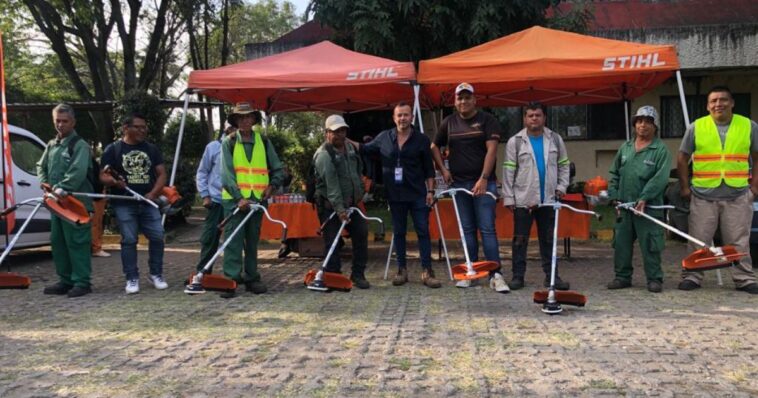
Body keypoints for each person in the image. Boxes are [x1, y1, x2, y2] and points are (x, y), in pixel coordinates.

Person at [677, 86, 758, 294]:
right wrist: (685, 187)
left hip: (737, 194)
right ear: (707, 105)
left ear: (732, 103)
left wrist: (755, 186)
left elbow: (757, 157)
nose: (718, 104)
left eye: (723, 100)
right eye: (713, 101)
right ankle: (693, 276)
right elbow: (682, 158)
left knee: (739, 241)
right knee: (698, 239)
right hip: (704, 195)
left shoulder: (748, 126)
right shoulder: (696, 127)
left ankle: (744, 278)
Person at [431, 83, 509, 292]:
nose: (463, 102)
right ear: (455, 101)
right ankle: (471, 271)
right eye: (459, 98)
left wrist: (483, 179)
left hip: (484, 183)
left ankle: (496, 274)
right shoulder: (448, 123)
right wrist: (443, 170)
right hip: (459, 185)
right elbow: (434, 146)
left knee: (487, 229)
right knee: (466, 231)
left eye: (467, 98)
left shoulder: (487, 121)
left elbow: (491, 151)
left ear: (475, 100)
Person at [358, 102, 441, 288]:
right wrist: (344, 141)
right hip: (395, 195)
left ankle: (427, 271)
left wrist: (430, 191)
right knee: (399, 233)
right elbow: (365, 148)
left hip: (418, 194)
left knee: (423, 232)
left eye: (406, 115)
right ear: (394, 118)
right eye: (399, 115)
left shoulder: (421, 140)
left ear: (412, 117)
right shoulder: (384, 138)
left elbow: (429, 169)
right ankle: (401, 270)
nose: (402, 118)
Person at [502, 102, 570, 291]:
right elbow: (508, 170)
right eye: (530, 115)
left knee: (549, 240)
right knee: (519, 240)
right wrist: (508, 197)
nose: (534, 118)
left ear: (544, 117)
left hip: (549, 199)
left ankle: (552, 278)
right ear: (525, 118)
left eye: (538, 115)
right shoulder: (515, 141)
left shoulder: (555, 139)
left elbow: (564, 165)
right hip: (523, 199)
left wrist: (562, 187)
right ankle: (517, 277)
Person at [219, 102, 285, 298]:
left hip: (258, 200)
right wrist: (239, 197)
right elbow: (227, 175)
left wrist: (272, 186)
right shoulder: (228, 142)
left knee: (252, 240)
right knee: (233, 240)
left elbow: (277, 168)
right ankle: (231, 279)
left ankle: (252, 278)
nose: (245, 120)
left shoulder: (263, 142)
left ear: (254, 120)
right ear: (236, 121)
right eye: (241, 117)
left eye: (249, 117)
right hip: (234, 201)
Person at [100, 113, 168, 294]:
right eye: (137, 127)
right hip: (124, 202)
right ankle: (131, 277)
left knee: (158, 236)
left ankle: (156, 273)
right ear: (125, 128)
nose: (142, 130)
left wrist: (153, 194)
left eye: (144, 127)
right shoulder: (113, 149)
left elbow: (162, 174)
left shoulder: (151, 149)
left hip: (147, 202)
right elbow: (103, 176)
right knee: (129, 240)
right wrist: (115, 182)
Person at [606, 106, 672, 293]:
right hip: (624, 207)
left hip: (648, 208)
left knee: (651, 244)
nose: (643, 125)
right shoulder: (625, 148)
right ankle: (622, 277)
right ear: (635, 124)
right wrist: (614, 196)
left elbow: (660, 178)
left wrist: (644, 197)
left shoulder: (660, 150)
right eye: (639, 121)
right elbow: (614, 173)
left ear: (655, 126)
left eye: (648, 121)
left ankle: (654, 278)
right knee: (621, 243)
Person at [37, 104, 94, 298]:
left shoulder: (79, 145)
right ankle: (66, 280)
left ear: (73, 122)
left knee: (76, 242)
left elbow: (77, 172)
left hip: (75, 204)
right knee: (58, 242)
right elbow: (40, 165)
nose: (60, 125)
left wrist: (63, 187)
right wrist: (44, 183)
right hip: (56, 205)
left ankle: (82, 282)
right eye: (57, 121)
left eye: (64, 121)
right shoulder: (52, 145)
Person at [312, 114, 371, 289]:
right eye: (336, 132)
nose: (340, 135)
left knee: (361, 233)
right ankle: (333, 276)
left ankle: (358, 274)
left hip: (352, 203)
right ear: (327, 133)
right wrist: (340, 210)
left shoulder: (350, 149)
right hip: (330, 205)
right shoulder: (323, 155)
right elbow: (332, 186)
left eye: (343, 131)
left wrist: (359, 192)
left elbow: (358, 169)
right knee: (333, 241)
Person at [194, 125, 236, 273]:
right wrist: (205, 195)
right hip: (217, 201)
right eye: (234, 128)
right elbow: (202, 172)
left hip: (237, 202)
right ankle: (203, 272)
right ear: (227, 130)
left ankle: (233, 274)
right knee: (209, 238)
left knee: (235, 239)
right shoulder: (213, 147)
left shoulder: (245, 147)